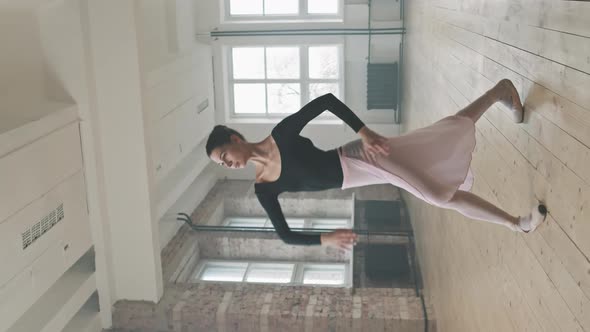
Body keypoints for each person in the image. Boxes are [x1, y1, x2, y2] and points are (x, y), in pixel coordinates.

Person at [206, 79, 547, 250]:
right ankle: (499, 92)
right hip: (362, 174)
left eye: (225, 157)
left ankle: (517, 224)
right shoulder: (264, 187)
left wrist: (365, 132)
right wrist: (327, 239)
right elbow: (285, 235)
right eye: (223, 165)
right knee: (441, 136)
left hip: (361, 155)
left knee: (439, 195)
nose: (229, 164)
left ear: (234, 140)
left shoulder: (281, 134)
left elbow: (325, 101)